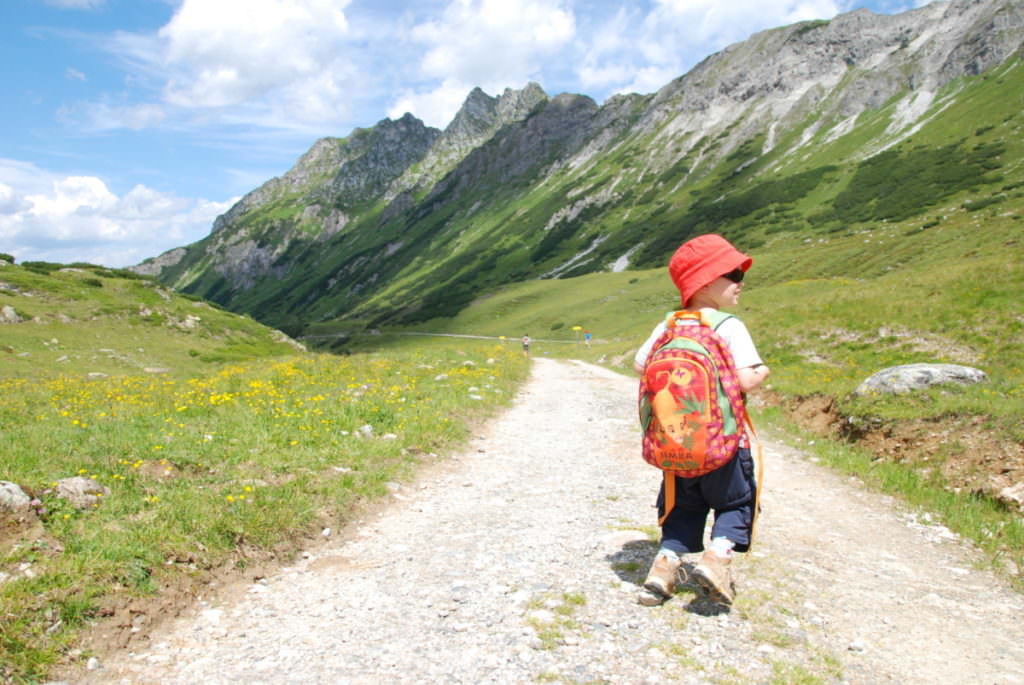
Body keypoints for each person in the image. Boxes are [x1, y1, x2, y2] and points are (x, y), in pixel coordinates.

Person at [633, 233, 770, 607]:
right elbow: (745, 379)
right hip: (724, 445)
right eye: (734, 274)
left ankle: (664, 566)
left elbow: (640, 365)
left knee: (683, 507)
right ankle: (716, 558)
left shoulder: (669, 325)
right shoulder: (727, 326)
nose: (741, 282)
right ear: (707, 281)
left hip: (679, 445)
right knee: (736, 503)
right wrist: (762, 371)